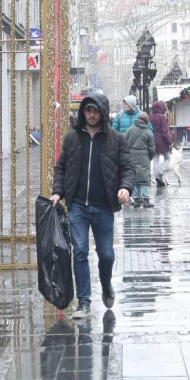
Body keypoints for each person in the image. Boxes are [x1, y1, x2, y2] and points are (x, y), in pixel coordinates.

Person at [51, 94, 135, 320]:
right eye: (88, 110)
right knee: (79, 251)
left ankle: (106, 283)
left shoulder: (116, 139)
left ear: (103, 113)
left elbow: (128, 167)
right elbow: (61, 167)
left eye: (95, 111)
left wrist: (125, 187)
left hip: (103, 206)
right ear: (83, 112)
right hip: (77, 205)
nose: (91, 115)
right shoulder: (72, 138)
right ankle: (84, 303)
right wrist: (58, 191)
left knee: (106, 254)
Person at [125, 111, 156, 208]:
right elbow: (152, 149)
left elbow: (124, 142)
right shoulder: (148, 132)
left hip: (131, 156)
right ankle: (146, 199)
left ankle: (136, 200)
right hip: (144, 157)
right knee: (144, 178)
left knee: (134, 177)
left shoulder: (130, 130)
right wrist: (149, 157)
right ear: (147, 121)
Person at [150, 100, 173, 187]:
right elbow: (165, 131)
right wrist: (169, 141)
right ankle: (160, 173)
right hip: (162, 141)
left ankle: (157, 177)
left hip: (153, 140)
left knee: (155, 159)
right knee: (167, 158)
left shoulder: (150, 117)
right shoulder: (162, 117)